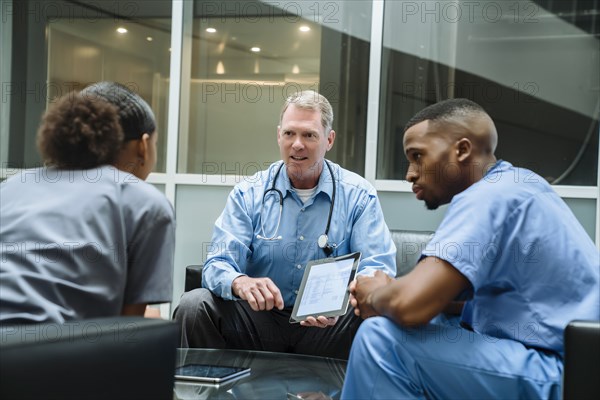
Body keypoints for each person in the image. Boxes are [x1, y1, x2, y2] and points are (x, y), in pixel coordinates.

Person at [341, 98, 600, 399]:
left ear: (462, 150)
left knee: (382, 341)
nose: (410, 173)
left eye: (417, 156)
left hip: (558, 372)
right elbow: (459, 303)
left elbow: (410, 304)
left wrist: (374, 293)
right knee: (435, 321)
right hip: (570, 361)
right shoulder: (520, 183)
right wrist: (394, 296)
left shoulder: (489, 196)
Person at [174, 90, 396, 359]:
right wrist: (240, 282)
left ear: (329, 139)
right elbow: (218, 263)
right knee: (194, 305)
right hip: (259, 322)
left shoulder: (359, 195)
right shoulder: (249, 193)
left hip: (329, 326)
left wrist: (341, 299)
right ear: (279, 135)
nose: (297, 144)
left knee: (375, 313)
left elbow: (378, 270)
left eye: (309, 135)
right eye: (290, 134)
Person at [0, 82, 175, 325]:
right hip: (51, 354)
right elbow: (125, 332)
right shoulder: (144, 203)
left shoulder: (10, 188)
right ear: (143, 146)